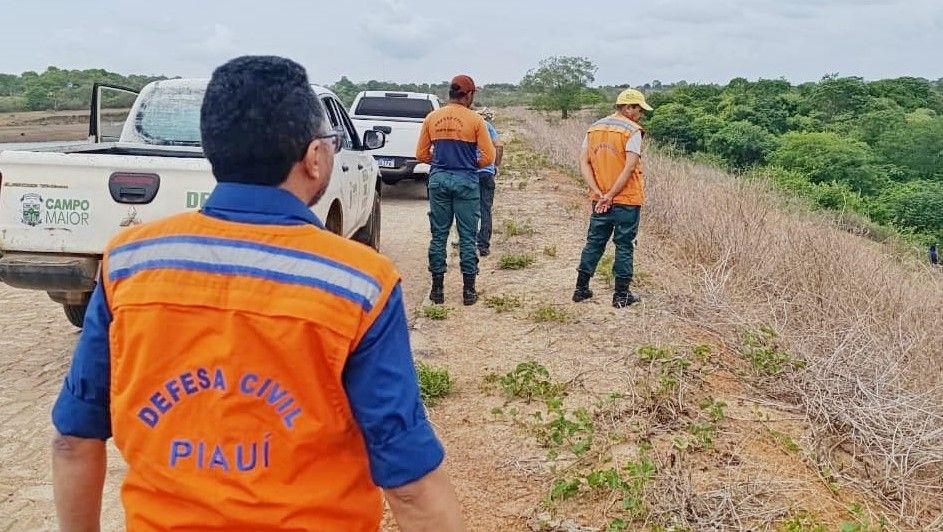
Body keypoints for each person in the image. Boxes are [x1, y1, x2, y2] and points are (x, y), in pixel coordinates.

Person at [50, 56, 465, 532]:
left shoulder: (128, 261)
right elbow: (410, 486)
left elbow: (73, 440)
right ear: (314, 157)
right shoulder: (358, 281)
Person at [416, 74, 495, 305]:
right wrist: (469, 164)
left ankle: (437, 290)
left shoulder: (432, 117)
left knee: (439, 235)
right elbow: (488, 157)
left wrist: (441, 163)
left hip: (439, 179)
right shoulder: (476, 121)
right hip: (466, 180)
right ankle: (469, 292)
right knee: (468, 236)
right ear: (468, 95)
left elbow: (420, 154)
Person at [572, 88, 653, 308]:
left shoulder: (594, 128)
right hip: (626, 199)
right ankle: (621, 295)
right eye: (639, 109)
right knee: (624, 244)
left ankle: (581, 289)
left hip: (599, 199)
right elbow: (629, 168)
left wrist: (598, 192)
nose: (640, 115)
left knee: (594, 242)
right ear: (628, 107)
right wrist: (610, 195)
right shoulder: (632, 131)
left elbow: (584, 162)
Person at [475, 107, 503, 256]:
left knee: (469, 209)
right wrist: (495, 164)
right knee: (485, 209)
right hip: (487, 172)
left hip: (470, 173)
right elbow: (499, 145)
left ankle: (467, 241)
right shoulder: (489, 127)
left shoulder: (469, 124)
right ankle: (483, 245)